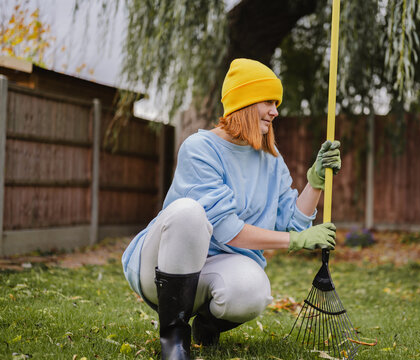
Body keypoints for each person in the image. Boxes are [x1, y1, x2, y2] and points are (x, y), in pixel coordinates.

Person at [121, 58, 342, 360]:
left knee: (254, 289)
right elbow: (228, 231)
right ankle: (173, 341)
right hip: (160, 270)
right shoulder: (200, 148)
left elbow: (294, 224)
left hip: (211, 274)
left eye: (276, 103)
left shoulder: (271, 160)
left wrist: (315, 182)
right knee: (189, 212)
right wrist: (296, 242)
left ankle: (207, 325)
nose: (275, 111)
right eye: (268, 101)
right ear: (246, 102)